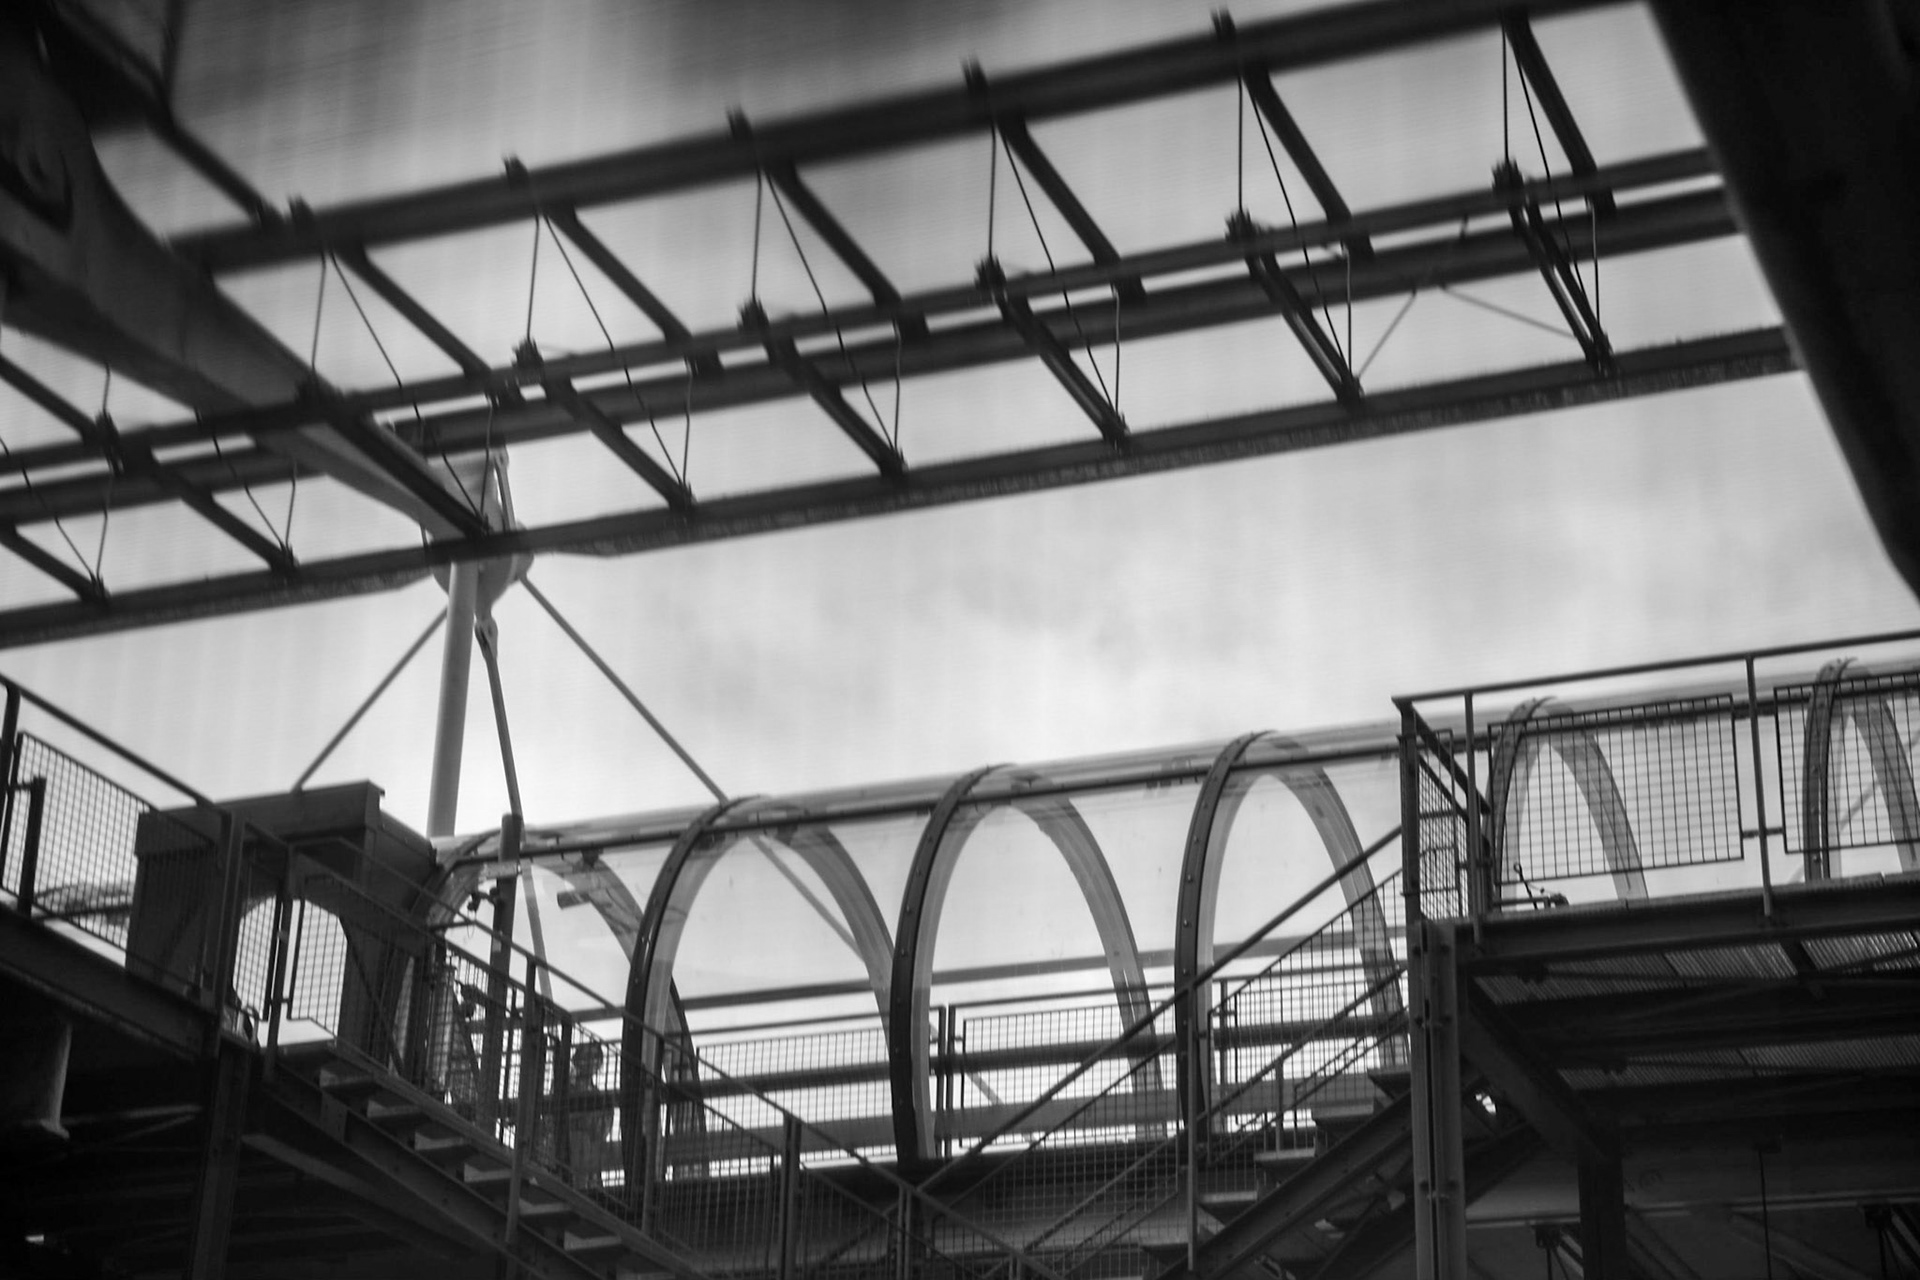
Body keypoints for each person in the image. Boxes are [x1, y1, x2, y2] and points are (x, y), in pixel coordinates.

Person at [565, 1040, 611, 1189]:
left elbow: (603, 1127)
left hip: (591, 1150)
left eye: (595, 1057)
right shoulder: (565, 1086)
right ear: (577, 1060)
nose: (591, 1062)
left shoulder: (597, 1094)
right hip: (572, 1146)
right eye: (586, 1057)